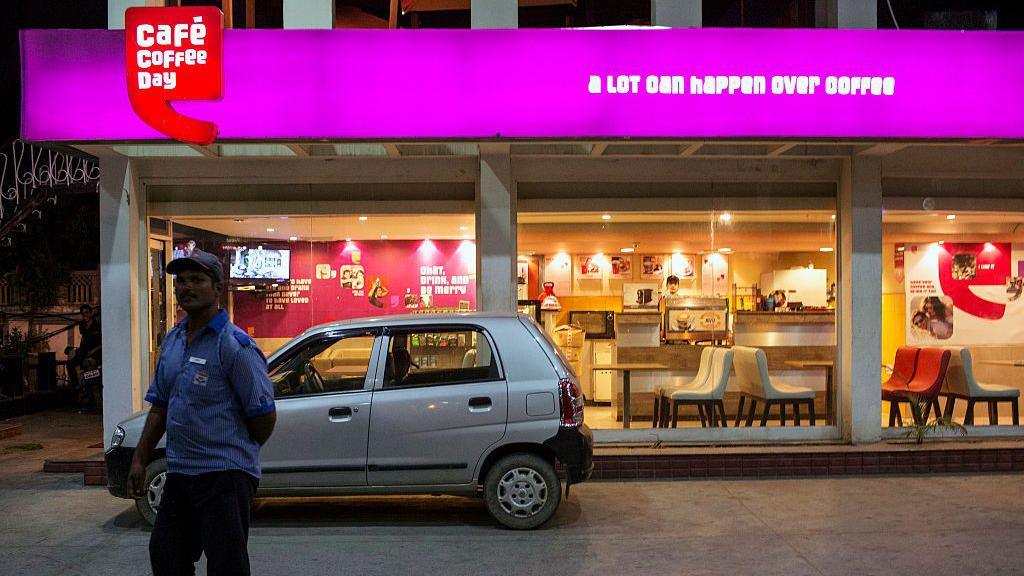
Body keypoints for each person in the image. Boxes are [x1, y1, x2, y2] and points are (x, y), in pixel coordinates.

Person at [127, 250, 276, 576]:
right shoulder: (173, 341)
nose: (186, 287)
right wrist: (139, 458)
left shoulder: (235, 346)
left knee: (226, 565)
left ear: (217, 288)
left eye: (197, 280)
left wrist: (232, 451)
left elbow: (264, 416)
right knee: (166, 556)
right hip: (181, 473)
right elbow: (160, 406)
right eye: (181, 281)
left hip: (225, 477)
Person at [68, 304, 102, 398]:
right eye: (83, 313)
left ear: (91, 313)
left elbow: (102, 343)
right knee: (70, 364)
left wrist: (92, 351)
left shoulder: (97, 325)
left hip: (96, 352)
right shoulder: (82, 325)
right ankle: (77, 386)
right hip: (84, 352)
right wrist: (78, 350)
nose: (85, 315)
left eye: (87, 313)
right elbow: (83, 338)